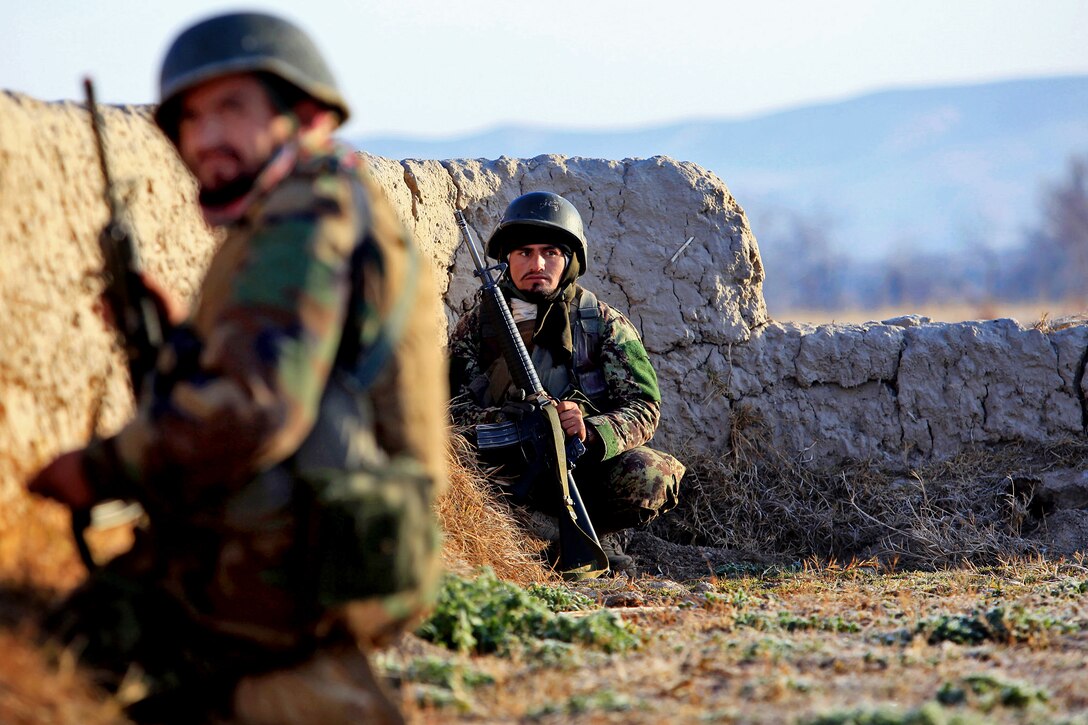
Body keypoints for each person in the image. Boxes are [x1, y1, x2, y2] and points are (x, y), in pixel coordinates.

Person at [27, 12, 447, 724]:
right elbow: (292, 370)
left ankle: (300, 695)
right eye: (190, 117)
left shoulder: (306, 213)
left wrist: (101, 468)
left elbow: (257, 408)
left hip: (292, 571)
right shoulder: (315, 202)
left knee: (69, 654)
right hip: (317, 547)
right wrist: (181, 338)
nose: (205, 136)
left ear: (303, 113)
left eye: (232, 108)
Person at [448, 191, 684, 574]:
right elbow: (451, 410)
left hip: (581, 467)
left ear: (570, 259)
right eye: (524, 252)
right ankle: (512, 543)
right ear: (507, 259)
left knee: (652, 473)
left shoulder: (601, 322)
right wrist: (509, 421)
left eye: (550, 252)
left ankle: (575, 543)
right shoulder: (479, 326)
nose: (536, 263)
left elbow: (644, 407)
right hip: (504, 472)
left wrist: (590, 430)